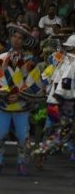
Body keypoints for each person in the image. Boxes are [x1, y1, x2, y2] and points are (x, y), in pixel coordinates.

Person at [0, 23, 43, 175]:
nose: (17, 40)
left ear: (24, 41)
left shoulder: (30, 60)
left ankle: (22, 163)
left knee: (23, 136)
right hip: (4, 104)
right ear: (10, 37)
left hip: (21, 105)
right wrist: (6, 94)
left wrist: (18, 95)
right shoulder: (0, 59)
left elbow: (34, 83)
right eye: (14, 36)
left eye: (20, 38)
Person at [33, 34, 75, 165]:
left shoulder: (62, 60)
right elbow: (66, 82)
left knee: (63, 131)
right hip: (66, 102)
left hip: (56, 101)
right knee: (63, 131)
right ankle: (42, 151)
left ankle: (43, 151)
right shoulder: (71, 62)